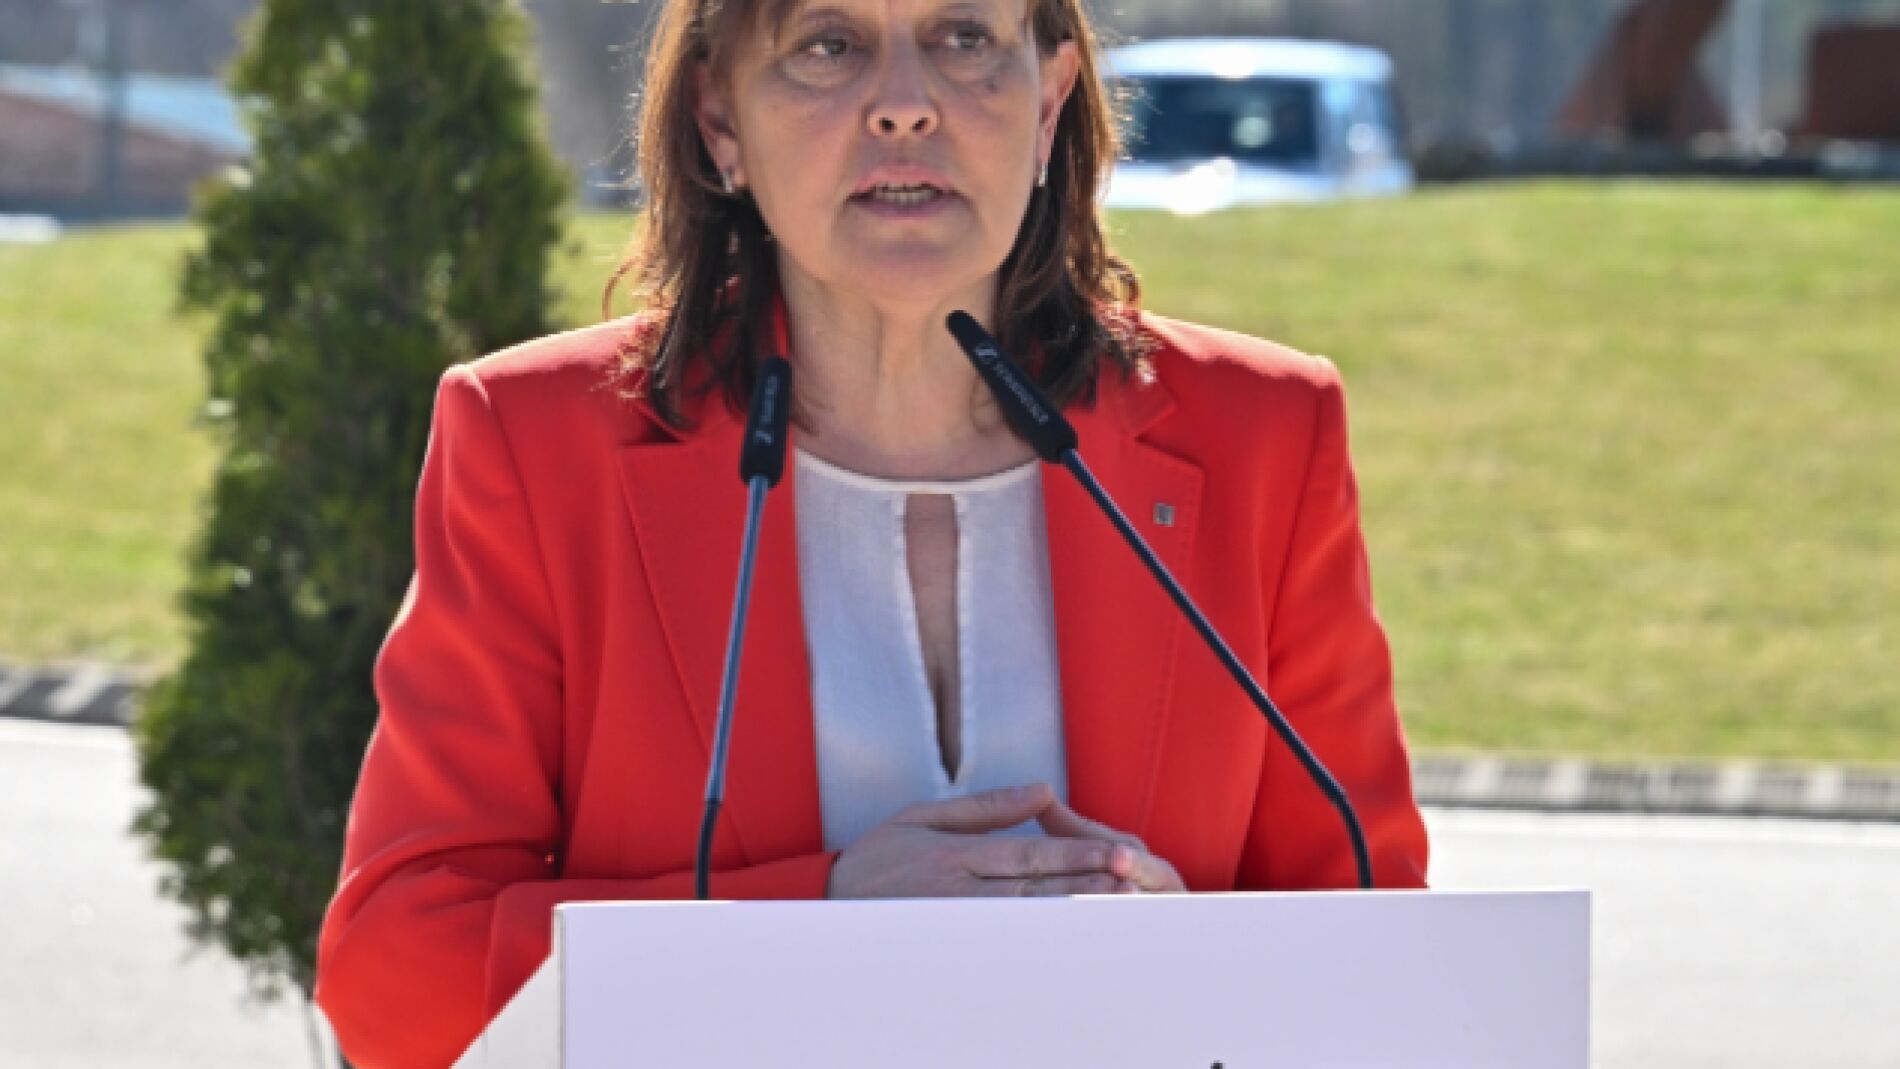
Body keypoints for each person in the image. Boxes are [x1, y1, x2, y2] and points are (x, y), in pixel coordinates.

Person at [314, 0, 1429, 1063]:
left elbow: (1389, 966)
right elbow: (398, 980)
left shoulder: (1264, 437)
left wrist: (1199, 970)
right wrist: (820, 926)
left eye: (964, 37)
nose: (905, 105)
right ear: (720, 120)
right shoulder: (535, 444)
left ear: (1048, 102)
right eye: (827, 44)